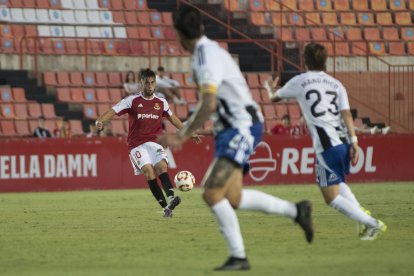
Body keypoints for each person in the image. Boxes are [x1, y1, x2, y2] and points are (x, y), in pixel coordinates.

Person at [158, 5, 313, 271]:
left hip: (241, 127)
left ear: (179, 36)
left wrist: (181, 136)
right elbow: (213, 102)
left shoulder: (205, 56)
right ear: (202, 28)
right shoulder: (209, 51)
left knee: (212, 193)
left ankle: (239, 256)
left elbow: (209, 102)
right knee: (233, 198)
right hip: (232, 128)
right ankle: (297, 211)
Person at [264, 42, 387, 241]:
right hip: (343, 141)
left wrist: (269, 88)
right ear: (325, 61)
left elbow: (273, 99)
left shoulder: (300, 81)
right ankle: (361, 214)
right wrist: (354, 141)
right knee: (338, 182)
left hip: (326, 146)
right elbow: (346, 113)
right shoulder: (337, 84)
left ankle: (372, 224)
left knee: (331, 197)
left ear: (305, 60)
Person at [95, 69, 201, 218]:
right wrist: (100, 121)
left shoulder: (161, 103)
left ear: (155, 84)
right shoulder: (132, 101)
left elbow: (174, 119)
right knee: (148, 171)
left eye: (152, 83)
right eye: (147, 83)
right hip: (136, 144)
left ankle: (171, 199)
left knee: (162, 166)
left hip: (154, 142)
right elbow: (113, 111)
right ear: (141, 83)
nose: (150, 86)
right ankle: (166, 208)